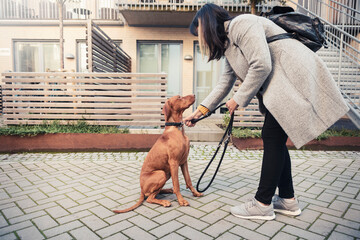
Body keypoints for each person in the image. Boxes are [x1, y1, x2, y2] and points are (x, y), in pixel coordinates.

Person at [184, 4, 349, 220]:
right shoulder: (229, 45)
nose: (201, 41)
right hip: (281, 85)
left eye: (200, 35)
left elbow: (261, 64)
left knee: (272, 137)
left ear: (206, 25)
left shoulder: (242, 24)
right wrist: (201, 111)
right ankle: (288, 201)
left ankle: (262, 203)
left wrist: (237, 100)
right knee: (275, 140)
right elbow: (225, 82)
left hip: (291, 78)